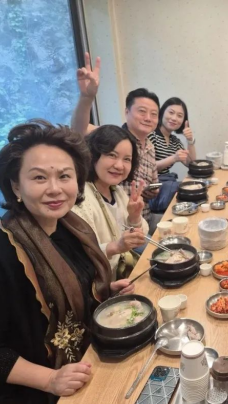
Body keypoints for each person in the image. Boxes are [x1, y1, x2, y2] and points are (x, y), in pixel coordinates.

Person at [0, 121, 134, 404]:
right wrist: (50, 379)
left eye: (65, 176)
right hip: (28, 398)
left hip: (82, 366)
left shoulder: (71, 231)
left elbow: (74, 288)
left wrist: (105, 291)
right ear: (16, 186)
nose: (55, 189)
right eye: (39, 177)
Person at [70, 52, 160, 227]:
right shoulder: (112, 138)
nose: (148, 118)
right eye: (142, 111)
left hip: (142, 220)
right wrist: (87, 98)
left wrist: (151, 191)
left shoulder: (150, 146)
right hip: (117, 226)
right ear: (127, 112)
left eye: (154, 114)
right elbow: (78, 131)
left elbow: (153, 184)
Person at [72, 125, 149, 276]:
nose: (119, 165)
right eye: (112, 155)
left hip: (122, 271)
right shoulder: (80, 198)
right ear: (93, 155)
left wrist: (134, 217)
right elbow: (79, 257)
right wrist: (116, 247)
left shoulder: (117, 191)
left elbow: (141, 237)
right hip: (100, 282)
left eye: (127, 159)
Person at [150, 97, 196, 175]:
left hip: (166, 180)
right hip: (151, 181)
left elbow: (190, 164)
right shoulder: (151, 135)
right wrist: (174, 158)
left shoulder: (175, 141)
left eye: (179, 116)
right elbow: (148, 167)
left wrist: (190, 141)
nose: (174, 118)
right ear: (162, 112)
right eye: (171, 112)